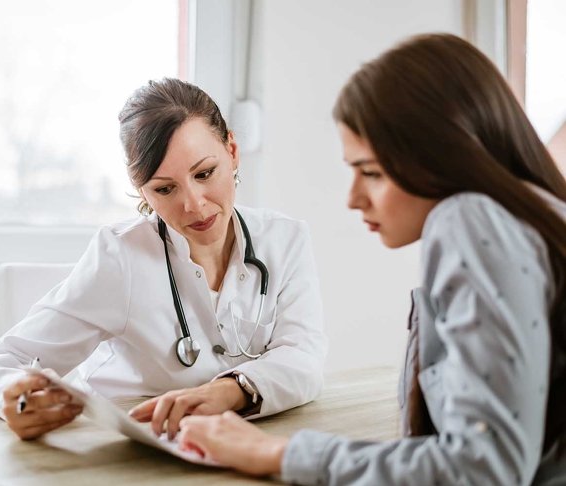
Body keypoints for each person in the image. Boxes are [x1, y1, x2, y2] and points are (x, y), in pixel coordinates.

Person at [175, 33, 566, 485]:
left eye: (372, 172)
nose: (354, 198)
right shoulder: (540, 216)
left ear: (448, 156)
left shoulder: (468, 219)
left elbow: (482, 468)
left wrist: (280, 453)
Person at [0, 78, 327, 441]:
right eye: (164, 188)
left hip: (235, 448)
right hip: (129, 451)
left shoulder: (285, 239)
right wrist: (12, 398)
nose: (194, 204)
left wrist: (230, 390)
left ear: (232, 150)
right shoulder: (120, 256)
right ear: (142, 190)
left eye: (204, 173)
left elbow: (305, 358)